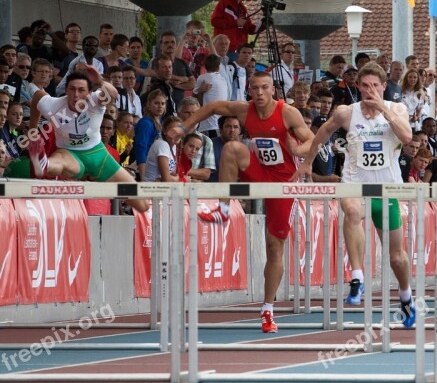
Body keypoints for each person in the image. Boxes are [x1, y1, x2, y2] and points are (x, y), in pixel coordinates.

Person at [168, 72, 314, 334]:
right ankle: (224, 208)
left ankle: (267, 309)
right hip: (259, 171)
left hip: (284, 181)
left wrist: (298, 152)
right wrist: (183, 127)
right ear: (250, 91)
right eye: (255, 88)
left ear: (273, 91)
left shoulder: (287, 113)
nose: (259, 93)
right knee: (233, 148)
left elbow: (312, 140)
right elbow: (212, 106)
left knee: (274, 247)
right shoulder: (245, 112)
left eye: (264, 88)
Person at [294, 62, 416, 329]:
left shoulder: (396, 109)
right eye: (364, 85)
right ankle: (357, 277)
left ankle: (406, 296)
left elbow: (407, 138)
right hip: (355, 184)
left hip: (386, 189)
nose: (369, 90)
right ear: (357, 87)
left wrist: (383, 108)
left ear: (384, 87)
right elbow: (322, 133)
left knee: (397, 257)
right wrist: (307, 162)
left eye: (375, 85)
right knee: (350, 211)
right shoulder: (346, 112)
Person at [27, 69, 147, 213]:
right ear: (65, 90)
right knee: (59, 161)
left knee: (142, 205)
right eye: (72, 89)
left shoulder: (95, 100)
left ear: (89, 92)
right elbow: (37, 98)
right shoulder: (54, 105)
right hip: (70, 153)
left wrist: (100, 81)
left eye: (81, 90)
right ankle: (43, 163)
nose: (76, 95)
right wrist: (32, 131)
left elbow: (113, 94)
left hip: (98, 156)